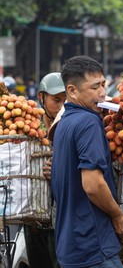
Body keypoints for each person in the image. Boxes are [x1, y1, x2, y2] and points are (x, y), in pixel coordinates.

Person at [51, 55, 123, 268]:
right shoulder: (89, 122)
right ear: (72, 91)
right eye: (94, 87)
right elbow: (92, 184)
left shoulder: (64, 122)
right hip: (93, 245)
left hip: (71, 247)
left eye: (103, 85)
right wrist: (118, 216)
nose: (102, 93)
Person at [21, 73, 66, 268]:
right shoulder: (30, 129)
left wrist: (58, 171)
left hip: (61, 219)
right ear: (42, 98)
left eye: (65, 100)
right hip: (33, 219)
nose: (61, 105)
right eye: (56, 100)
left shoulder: (69, 126)